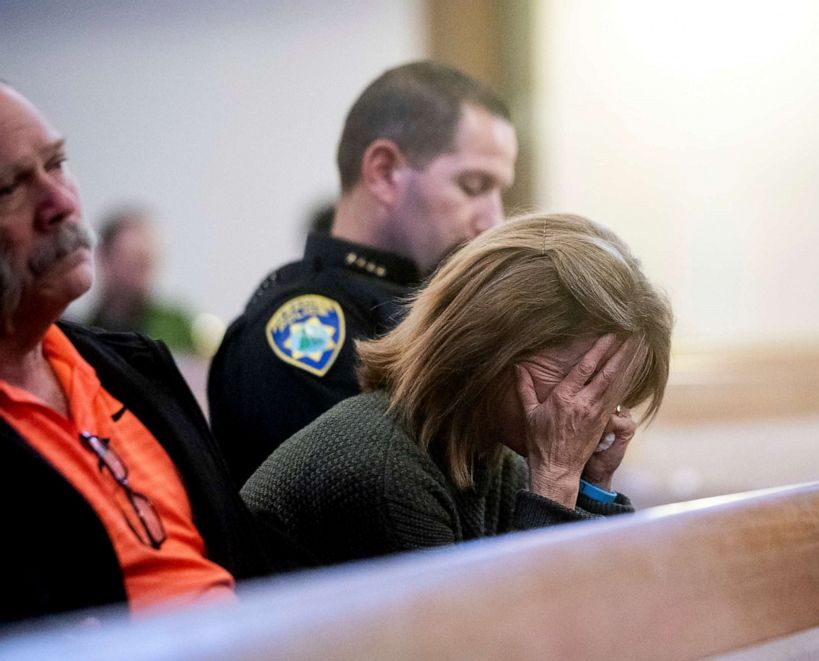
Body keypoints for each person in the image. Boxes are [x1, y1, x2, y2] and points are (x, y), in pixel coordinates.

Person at [242, 213, 673, 567]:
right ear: (494, 346)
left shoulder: (492, 454)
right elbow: (505, 643)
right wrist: (557, 481)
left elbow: (602, 618)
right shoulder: (386, 470)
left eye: (610, 398)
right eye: (584, 384)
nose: (593, 417)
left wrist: (590, 484)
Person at [0, 83, 271, 624]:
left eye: (58, 164)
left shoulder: (137, 367)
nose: (61, 203)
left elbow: (251, 568)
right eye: (10, 189)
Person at [209, 60, 518, 485]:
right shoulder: (308, 331)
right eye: (473, 185)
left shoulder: (426, 314)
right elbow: (398, 520)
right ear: (385, 172)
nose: (494, 222)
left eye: (500, 191)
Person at [86, 207, 198, 355]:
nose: (143, 277)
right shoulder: (79, 330)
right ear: (103, 257)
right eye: (133, 262)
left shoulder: (177, 326)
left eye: (147, 264)